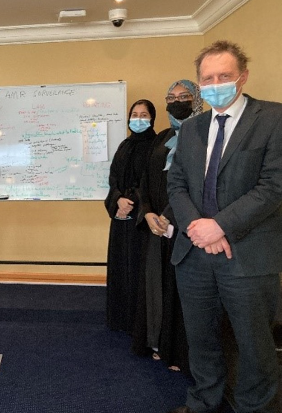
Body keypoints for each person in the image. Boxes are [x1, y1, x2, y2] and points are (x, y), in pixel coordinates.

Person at [167, 40, 282, 413]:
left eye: (224, 76)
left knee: (254, 345)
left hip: (248, 256)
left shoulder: (274, 119)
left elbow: (273, 186)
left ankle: (254, 408)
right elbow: (177, 184)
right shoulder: (192, 128)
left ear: (243, 77)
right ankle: (204, 401)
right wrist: (198, 229)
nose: (216, 83)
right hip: (194, 255)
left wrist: (220, 227)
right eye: (208, 78)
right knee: (202, 340)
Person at [131, 80, 203, 374]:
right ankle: (159, 343)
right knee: (156, 285)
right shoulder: (162, 138)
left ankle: (180, 352)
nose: (177, 101)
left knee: (181, 290)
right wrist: (148, 214)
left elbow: (197, 186)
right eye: (171, 97)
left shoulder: (206, 135)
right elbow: (146, 181)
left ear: (196, 100)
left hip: (186, 230)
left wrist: (170, 216)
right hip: (157, 228)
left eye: (184, 96)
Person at [104, 99, 157, 334]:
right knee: (120, 266)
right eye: (134, 114)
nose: (138, 119)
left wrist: (132, 202)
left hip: (141, 221)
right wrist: (117, 199)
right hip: (120, 218)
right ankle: (119, 318)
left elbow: (152, 182)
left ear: (152, 118)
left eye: (144, 115)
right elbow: (113, 178)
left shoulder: (157, 146)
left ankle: (140, 322)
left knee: (139, 268)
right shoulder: (124, 146)